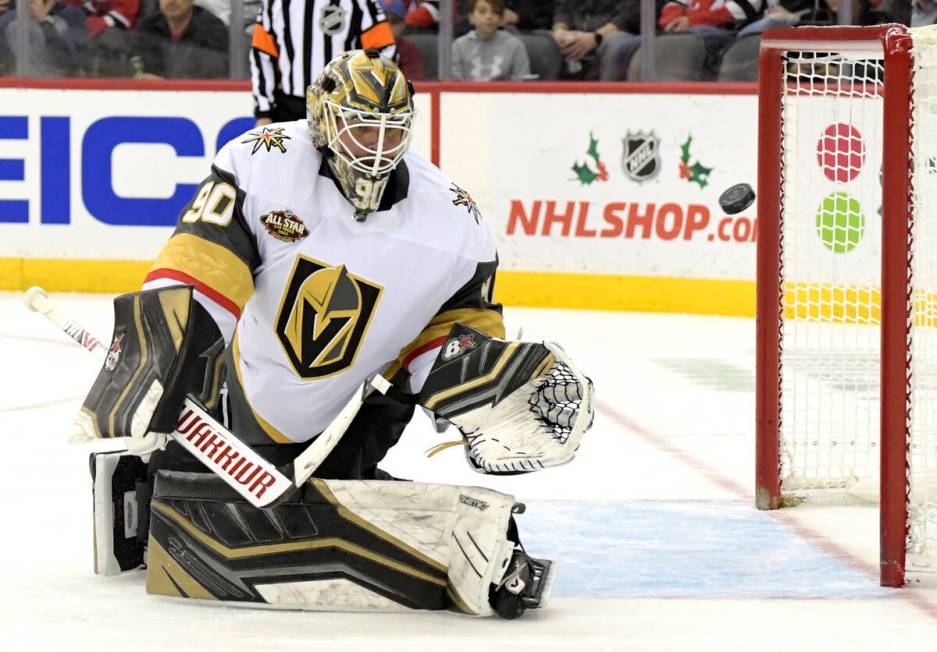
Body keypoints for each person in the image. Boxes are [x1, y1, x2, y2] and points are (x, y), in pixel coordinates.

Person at [74, 49, 594, 619]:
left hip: (363, 402)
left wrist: (488, 398)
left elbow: (452, 340)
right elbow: (200, 270)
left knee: (313, 497)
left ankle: (451, 535)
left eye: (390, 132)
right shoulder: (261, 162)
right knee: (185, 502)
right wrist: (154, 361)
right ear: (323, 119)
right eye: (361, 127)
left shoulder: (453, 223)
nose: (376, 147)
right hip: (254, 389)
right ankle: (154, 476)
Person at [251, 0, 396, 125]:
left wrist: (368, 104)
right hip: (289, 108)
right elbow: (262, 55)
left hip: (344, 108)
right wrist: (264, 113)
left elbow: (383, 53)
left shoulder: (359, 2)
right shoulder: (274, 3)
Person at [131, 0, 228, 78]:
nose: (172, 1)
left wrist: (165, 85)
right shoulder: (146, 27)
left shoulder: (213, 30)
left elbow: (216, 78)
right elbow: (135, 66)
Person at [551, 0, 640, 81]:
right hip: (577, 31)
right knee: (545, 42)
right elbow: (562, 7)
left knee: (614, 42)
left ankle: (606, 95)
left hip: (617, 34)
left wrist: (596, 37)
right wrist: (560, 29)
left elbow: (629, 14)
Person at [0, 0, 88, 76]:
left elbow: (70, 60)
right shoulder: (8, 17)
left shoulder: (72, 15)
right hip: (14, 88)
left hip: (57, 88)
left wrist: (43, 21)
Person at [452, 0, 530, 80]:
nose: (489, 16)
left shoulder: (515, 46)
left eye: (495, 12)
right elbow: (453, 85)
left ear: (502, 19)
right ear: (471, 17)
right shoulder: (458, 46)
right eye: (482, 12)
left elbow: (521, 83)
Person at [383, 0, 425, 80]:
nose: (388, 26)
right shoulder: (362, 48)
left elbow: (414, 84)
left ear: (403, 25)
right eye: (383, 21)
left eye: (394, 21)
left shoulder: (409, 50)